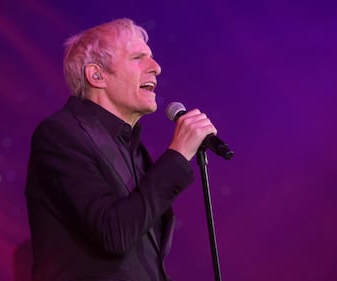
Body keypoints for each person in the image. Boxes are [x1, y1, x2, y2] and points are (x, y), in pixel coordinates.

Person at [25, 18, 217, 281]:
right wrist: (178, 154)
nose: (157, 68)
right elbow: (113, 233)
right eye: (138, 57)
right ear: (96, 75)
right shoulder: (60, 135)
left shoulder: (134, 150)